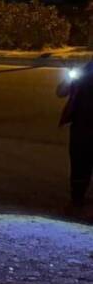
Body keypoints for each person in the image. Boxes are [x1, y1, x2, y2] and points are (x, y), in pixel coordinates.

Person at [57, 60, 93, 216]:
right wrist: (69, 78)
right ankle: (76, 201)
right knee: (79, 164)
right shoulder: (85, 70)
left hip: (83, 127)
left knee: (81, 164)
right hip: (81, 126)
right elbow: (61, 92)